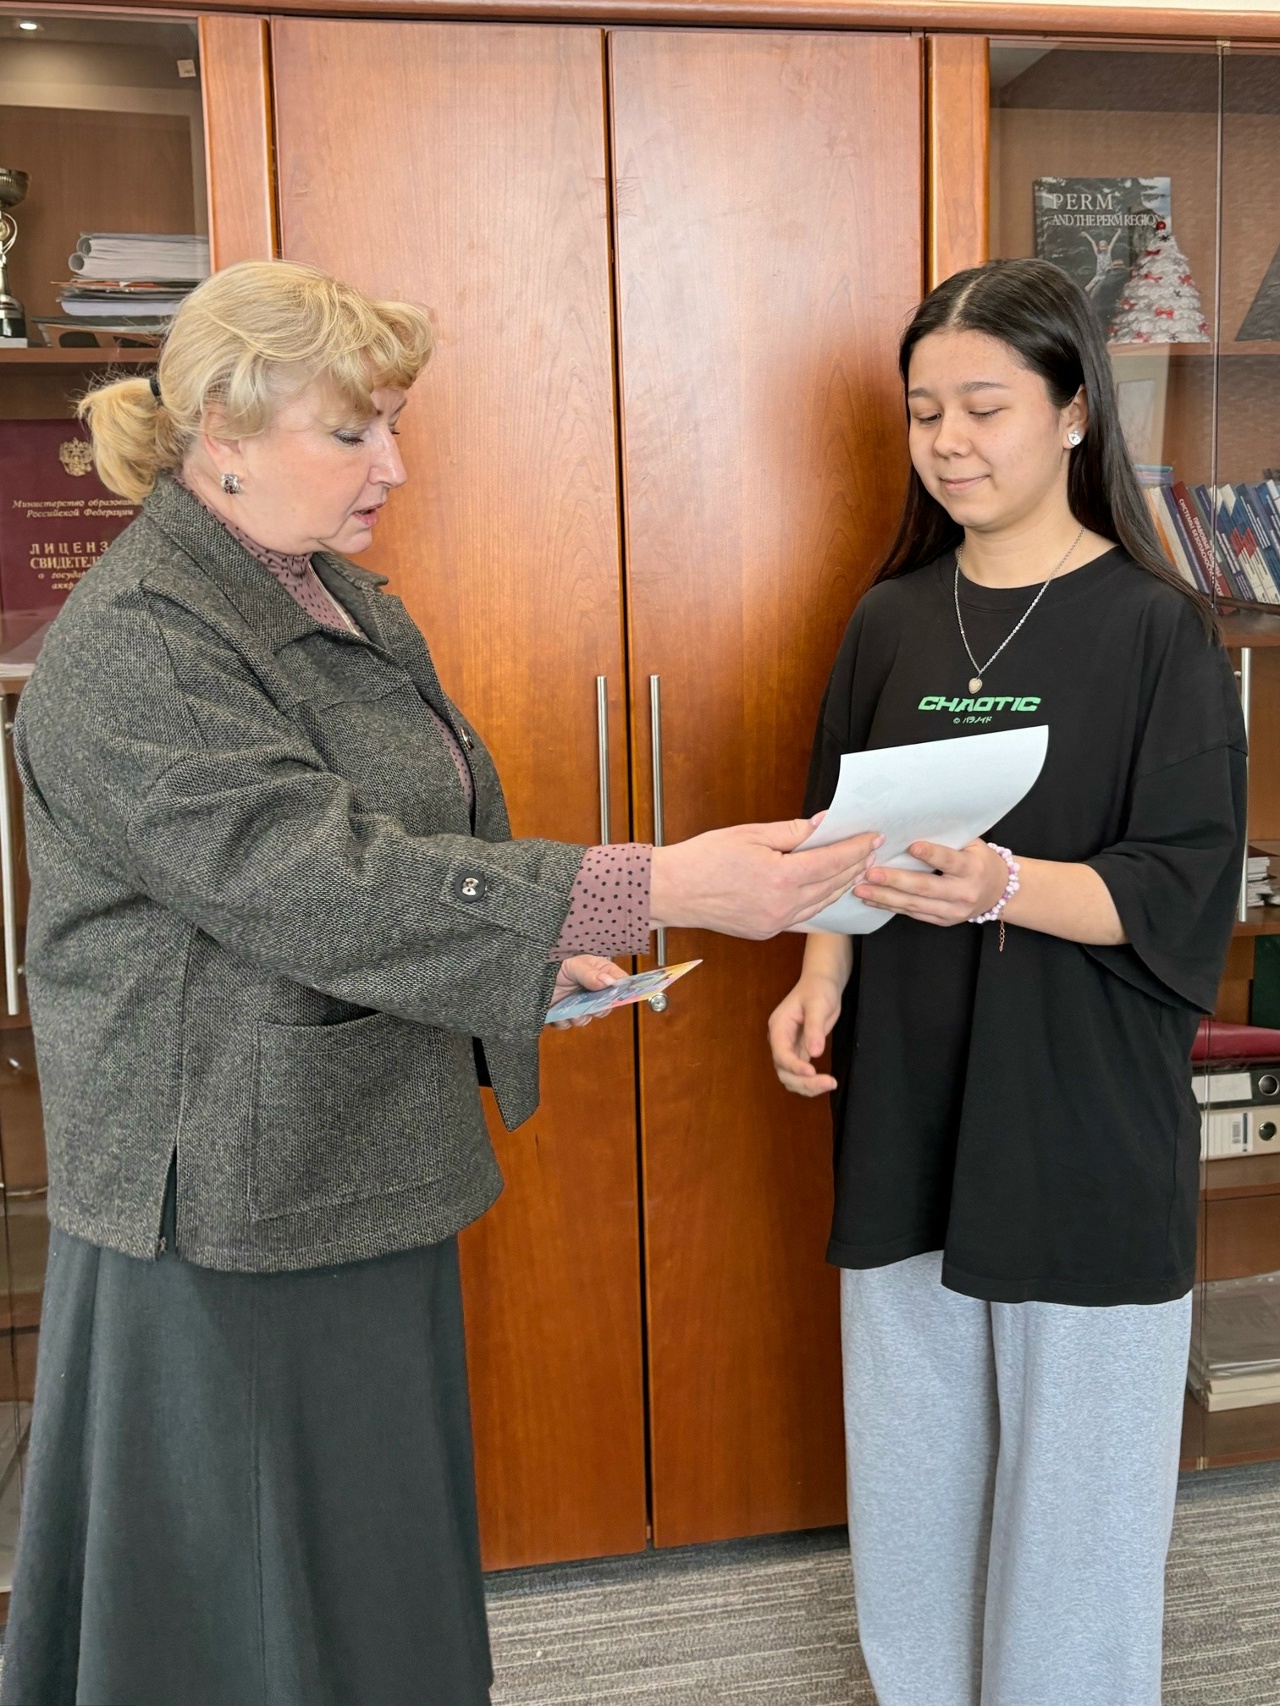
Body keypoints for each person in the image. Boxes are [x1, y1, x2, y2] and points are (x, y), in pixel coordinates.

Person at [0, 259, 879, 1706]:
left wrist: (533, 947)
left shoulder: (324, 590)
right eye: (353, 432)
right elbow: (316, 876)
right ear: (222, 430)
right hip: (227, 1196)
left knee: (364, 1561)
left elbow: (409, 838)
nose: (393, 467)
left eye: (394, 425)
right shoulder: (140, 639)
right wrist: (651, 884)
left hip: (344, 1146)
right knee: (248, 1606)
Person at [769, 258, 1245, 1706]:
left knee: (1078, 1498)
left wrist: (1003, 885)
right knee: (914, 1466)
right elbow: (836, 825)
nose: (949, 441)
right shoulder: (890, 618)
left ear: (1074, 410)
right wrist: (820, 969)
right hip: (911, 1088)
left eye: (984, 407)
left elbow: (1178, 886)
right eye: (925, 412)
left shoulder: (1158, 629)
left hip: (1081, 1107)